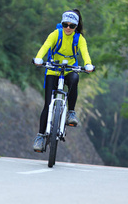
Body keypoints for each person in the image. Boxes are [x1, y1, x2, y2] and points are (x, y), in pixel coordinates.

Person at [32, 9, 94, 152]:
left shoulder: (79, 39)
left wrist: (88, 64)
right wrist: (38, 58)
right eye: (65, 24)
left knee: (74, 78)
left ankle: (71, 112)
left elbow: (85, 53)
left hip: (70, 69)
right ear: (62, 24)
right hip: (53, 69)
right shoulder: (55, 34)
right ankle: (40, 137)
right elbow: (45, 46)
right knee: (47, 105)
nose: (68, 28)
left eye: (71, 26)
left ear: (76, 27)